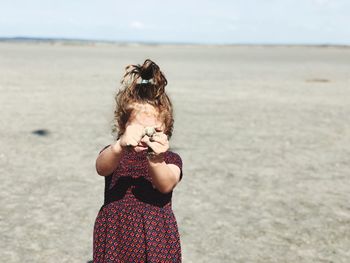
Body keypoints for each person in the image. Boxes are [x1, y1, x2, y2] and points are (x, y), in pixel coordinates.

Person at [93, 59, 183, 262]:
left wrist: (156, 159)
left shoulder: (170, 159)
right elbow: (101, 168)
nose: (145, 137)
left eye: (154, 131)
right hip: (115, 236)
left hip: (156, 237)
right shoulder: (115, 154)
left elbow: (166, 185)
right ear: (123, 126)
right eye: (138, 129)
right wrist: (119, 146)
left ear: (166, 130)